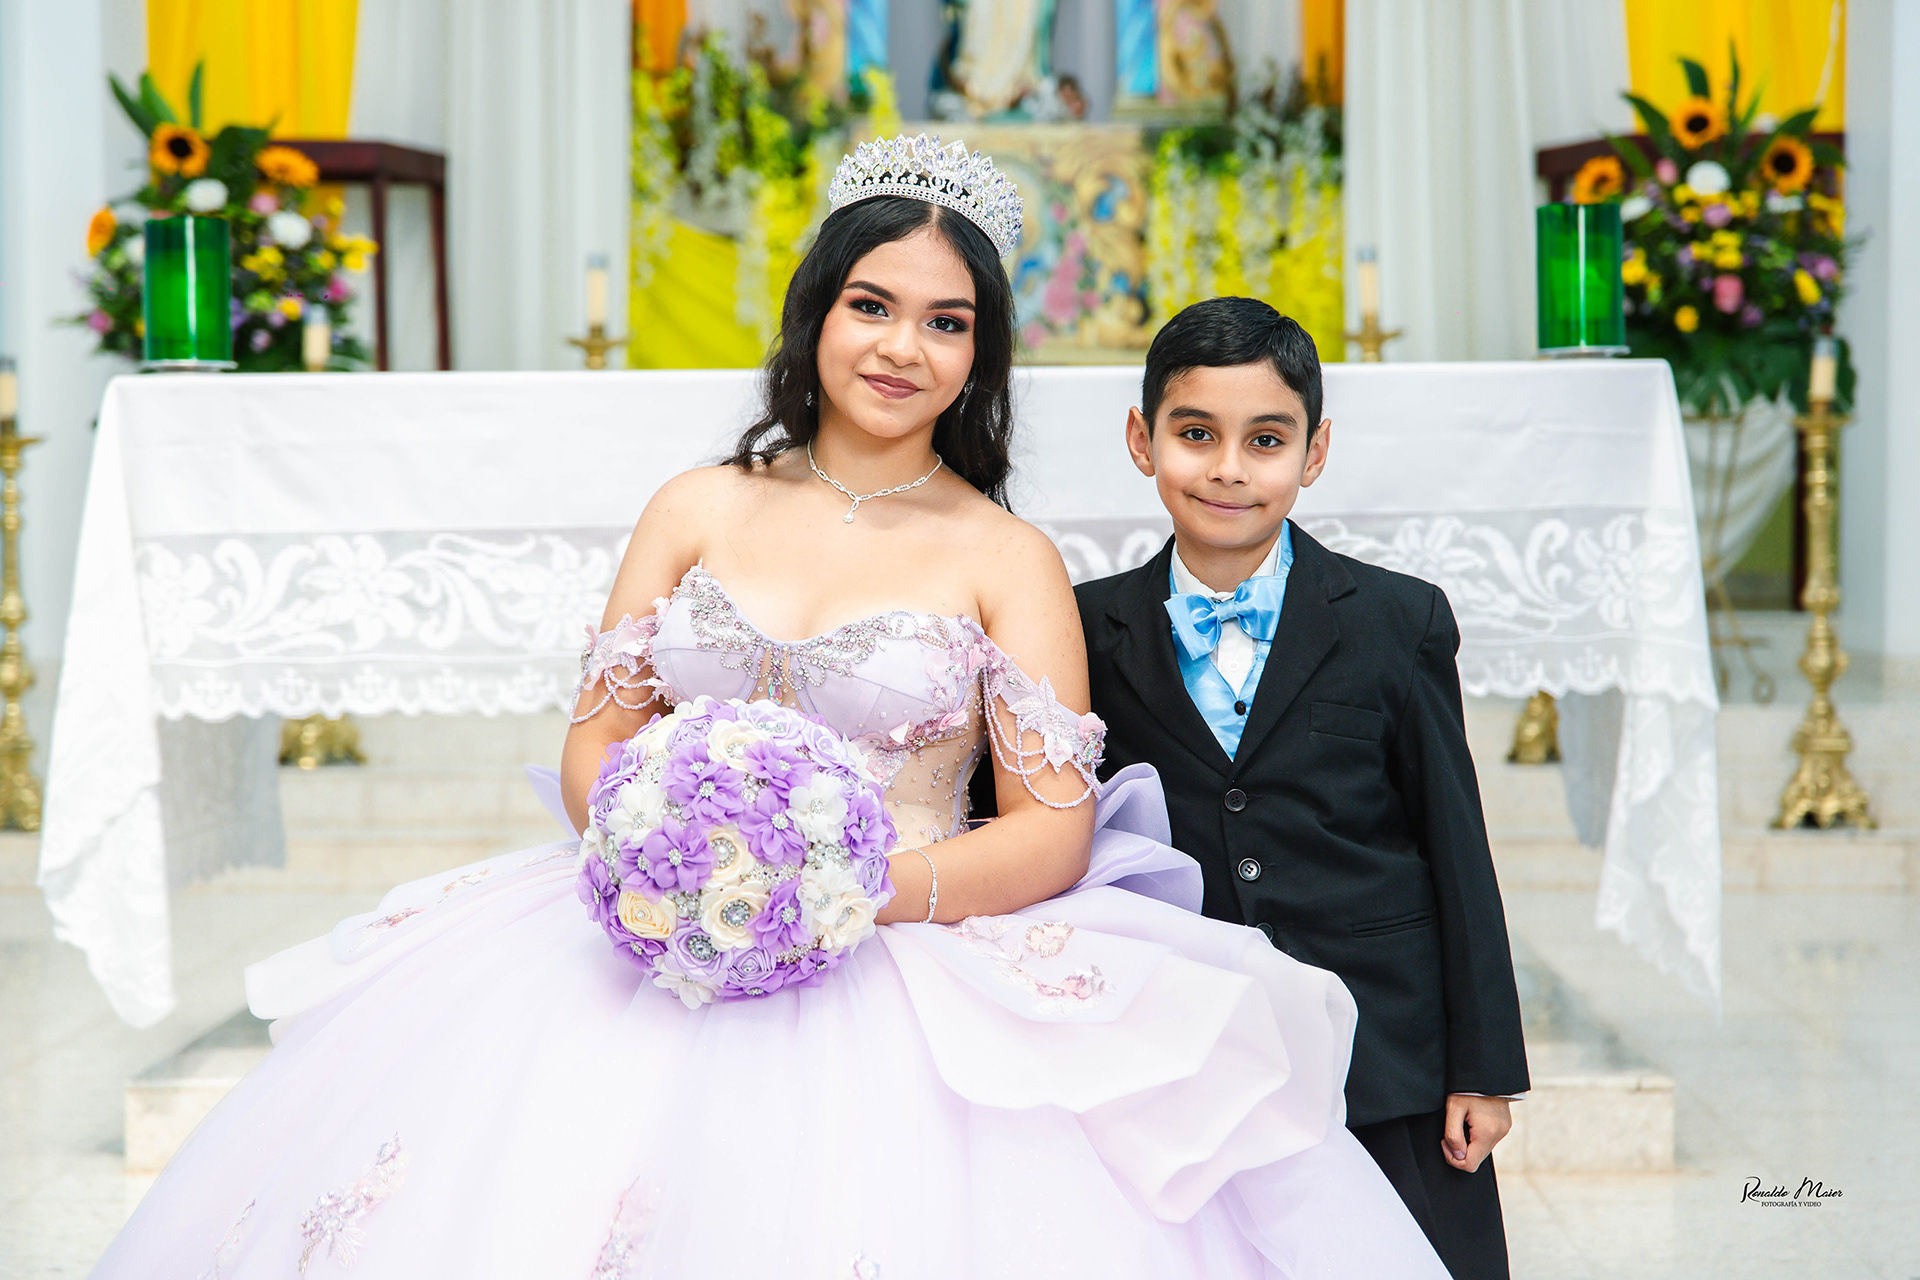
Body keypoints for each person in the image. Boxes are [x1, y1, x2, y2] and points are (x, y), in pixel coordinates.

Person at [92, 138, 1447, 1279]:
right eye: (873, 305)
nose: (902, 346)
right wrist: (655, 858)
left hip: (905, 950)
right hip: (645, 936)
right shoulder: (694, 507)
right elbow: (597, 742)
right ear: (816, 312)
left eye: (947, 322)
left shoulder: (1004, 556)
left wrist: (846, 890)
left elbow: (1052, 830)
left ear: (982, 354)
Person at [1074, 297, 1531, 1280]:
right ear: (1141, 439)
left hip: (1386, 1049)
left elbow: (1456, 847)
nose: (1229, 468)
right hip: (1189, 1045)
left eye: (1267, 439)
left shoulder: (1397, 620)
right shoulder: (1085, 630)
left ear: (1314, 452)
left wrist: (1483, 1067)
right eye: (1196, 434)